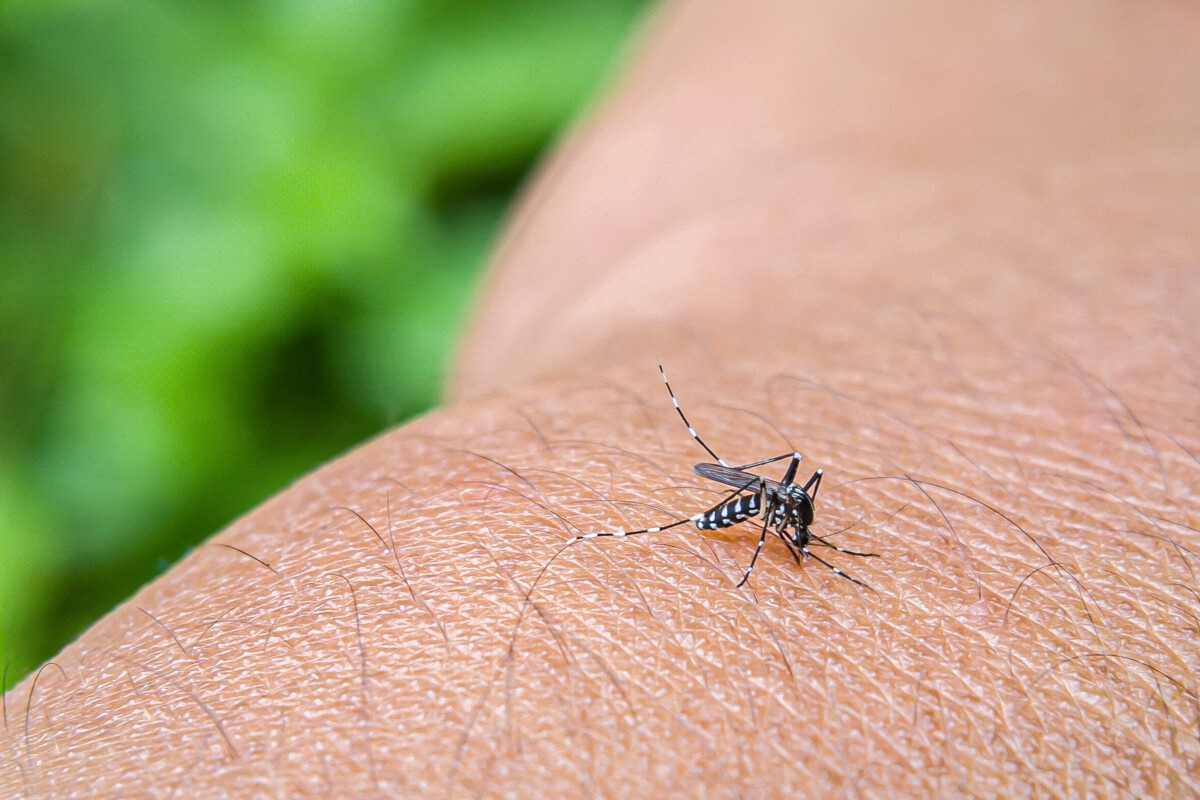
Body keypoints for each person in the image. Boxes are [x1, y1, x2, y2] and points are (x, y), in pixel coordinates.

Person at [5, 1, 1198, 795]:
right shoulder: (769, 516)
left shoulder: (794, 500)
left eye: (784, 522)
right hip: (728, 485)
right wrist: (749, 539)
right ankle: (699, 504)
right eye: (787, 521)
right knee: (746, 484)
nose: (790, 522)